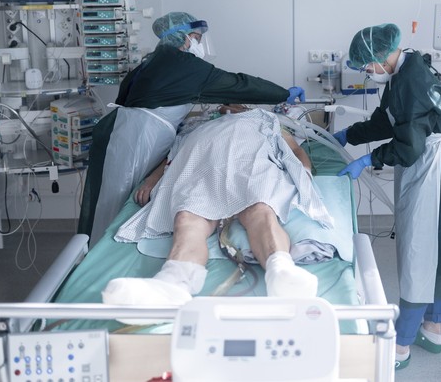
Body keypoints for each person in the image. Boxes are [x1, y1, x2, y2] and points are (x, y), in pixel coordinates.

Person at [78, 12, 306, 242]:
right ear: (183, 38)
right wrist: (283, 94)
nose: (199, 44)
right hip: (141, 137)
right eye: (197, 37)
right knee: (120, 199)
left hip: (125, 131)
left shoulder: (153, 61)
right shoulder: (184, 65)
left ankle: (95, 243)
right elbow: (238, 84)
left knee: (110, 198)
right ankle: (103, 245)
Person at [333, 23, 441, 370]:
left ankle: (401, 344)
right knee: (436, 249)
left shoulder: (411, 81)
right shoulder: (405, 69)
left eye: (367, 66)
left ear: (381, 57)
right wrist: (350, 134)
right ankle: (433, 327)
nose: (368, 72)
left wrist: (370, 159)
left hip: (435, 167)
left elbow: (408, 148)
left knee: (419, 252)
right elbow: (388, 120)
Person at [103, 108, 332, 309]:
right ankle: (173, 283)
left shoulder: (266, 118)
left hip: (250, 164)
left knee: (260, 209)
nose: (227, 106)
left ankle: (280, 271)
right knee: (186, 218)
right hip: (201, 168)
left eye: (235, 102)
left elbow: (294, 150)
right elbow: (173, 157)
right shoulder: (197, 125)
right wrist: (153, 179)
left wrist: (305, 173)